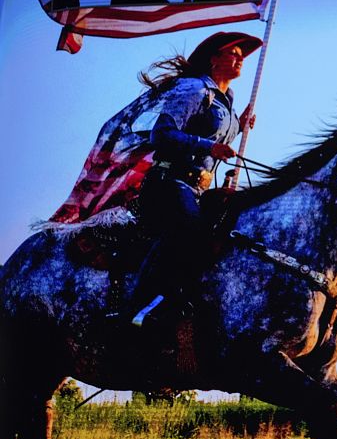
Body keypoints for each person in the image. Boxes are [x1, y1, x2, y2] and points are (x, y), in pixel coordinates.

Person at [50, 31, 262, 325]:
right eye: (233, 53)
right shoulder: (194, 90)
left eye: (242, 56)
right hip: (168, 182)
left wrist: (239, 126)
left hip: (198, 188)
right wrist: (208, 146)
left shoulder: (227, 101)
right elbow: (161, 133)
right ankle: (142, 308)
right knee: (192, 231)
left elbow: (211, 134)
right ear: (214, 59)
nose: (240, 59)